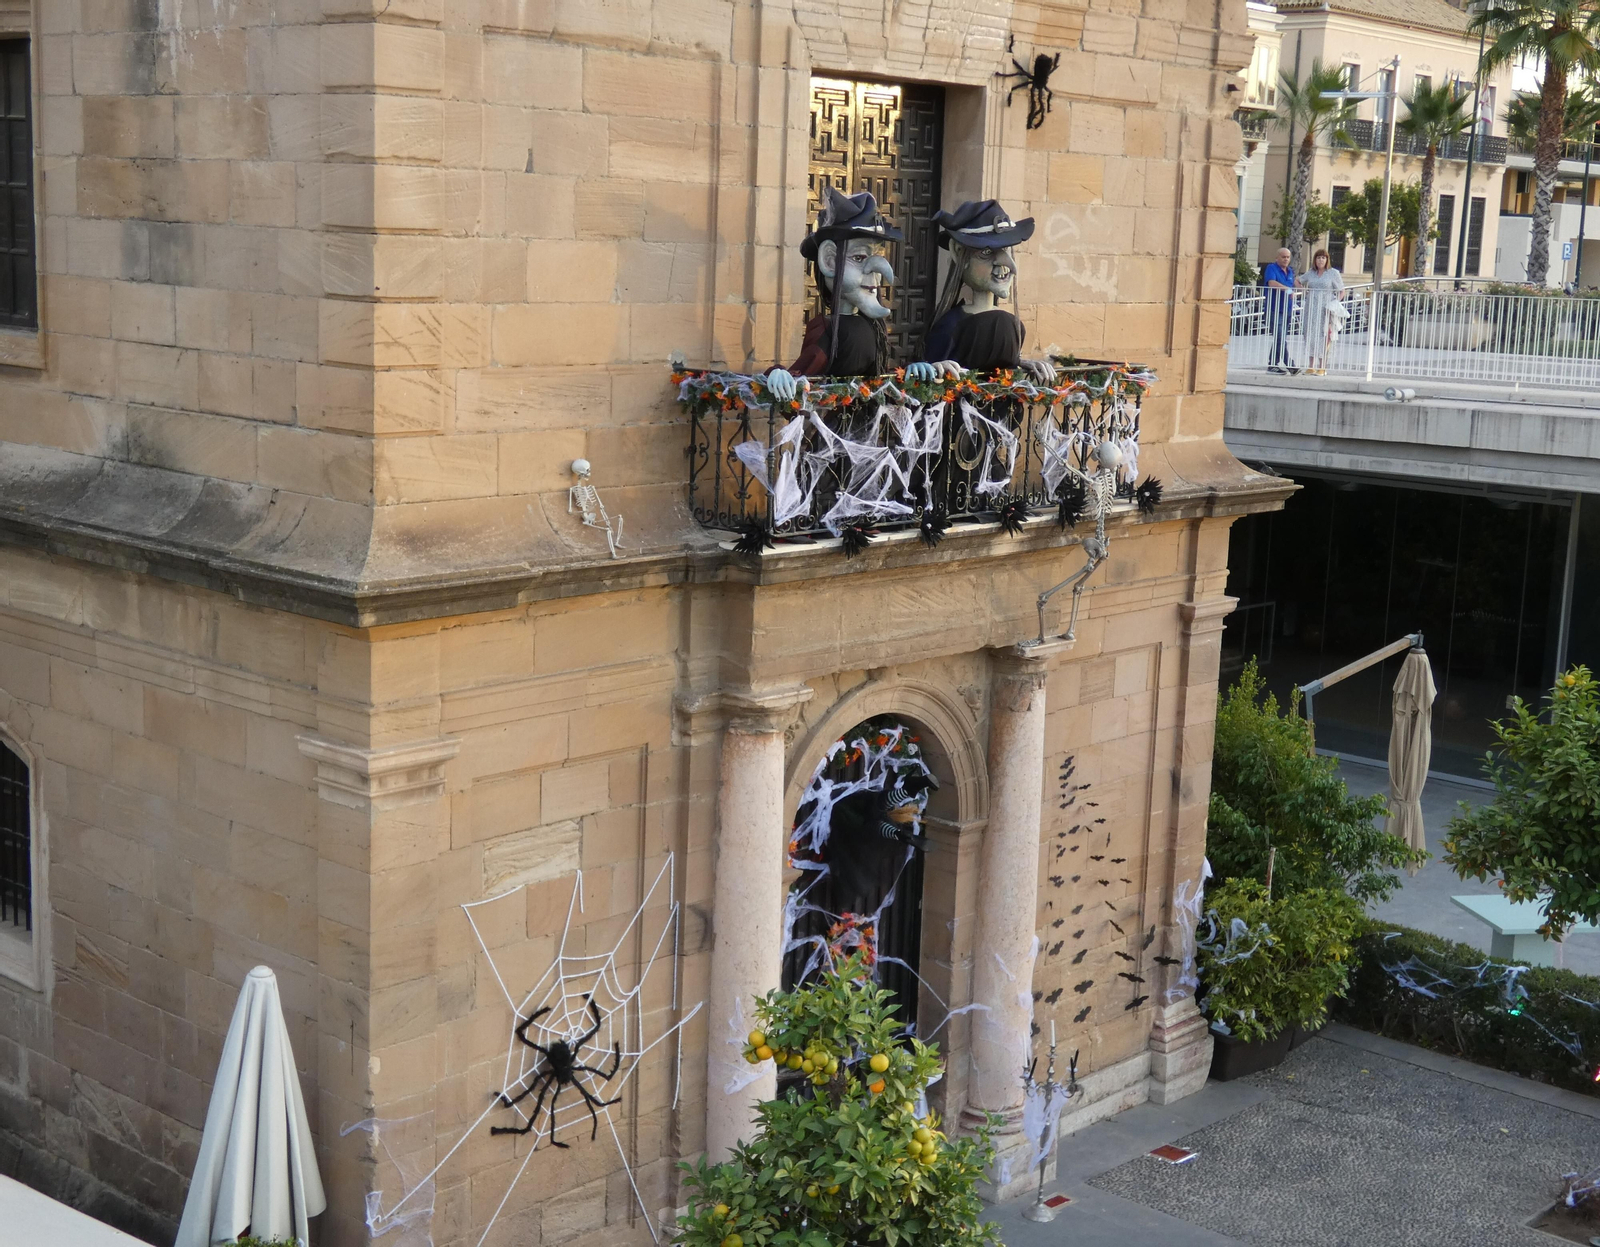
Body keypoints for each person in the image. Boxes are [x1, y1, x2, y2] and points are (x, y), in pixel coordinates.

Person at [1298, 249, 1345, 376]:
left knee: (1324, 335)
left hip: (1325, 307)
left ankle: (1322, 366)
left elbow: (1341, 290)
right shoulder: (1311, 273)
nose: (1320, 260)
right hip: (1311, 306)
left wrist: (1335, 303)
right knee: (1310, 334)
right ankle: (1311, 365)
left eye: (1323, 258)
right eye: (1318, 258)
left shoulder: (1333, 273)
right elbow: (1298, 280)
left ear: (1327, 259)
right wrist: (1304, 291)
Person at [1261, 246, 1298, 374]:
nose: (1286, 259)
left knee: (1279, 338)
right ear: (1277, 258)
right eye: (1283, 257)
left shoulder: (1290, 271)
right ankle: (1290, 364)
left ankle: (1272, 365)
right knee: (1280, 337)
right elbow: (1271, 282)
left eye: (1288, 257)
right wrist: (1287, 290)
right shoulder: (1272, 268)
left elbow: (1294, 284)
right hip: (1274, 309)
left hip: (1286, 309)